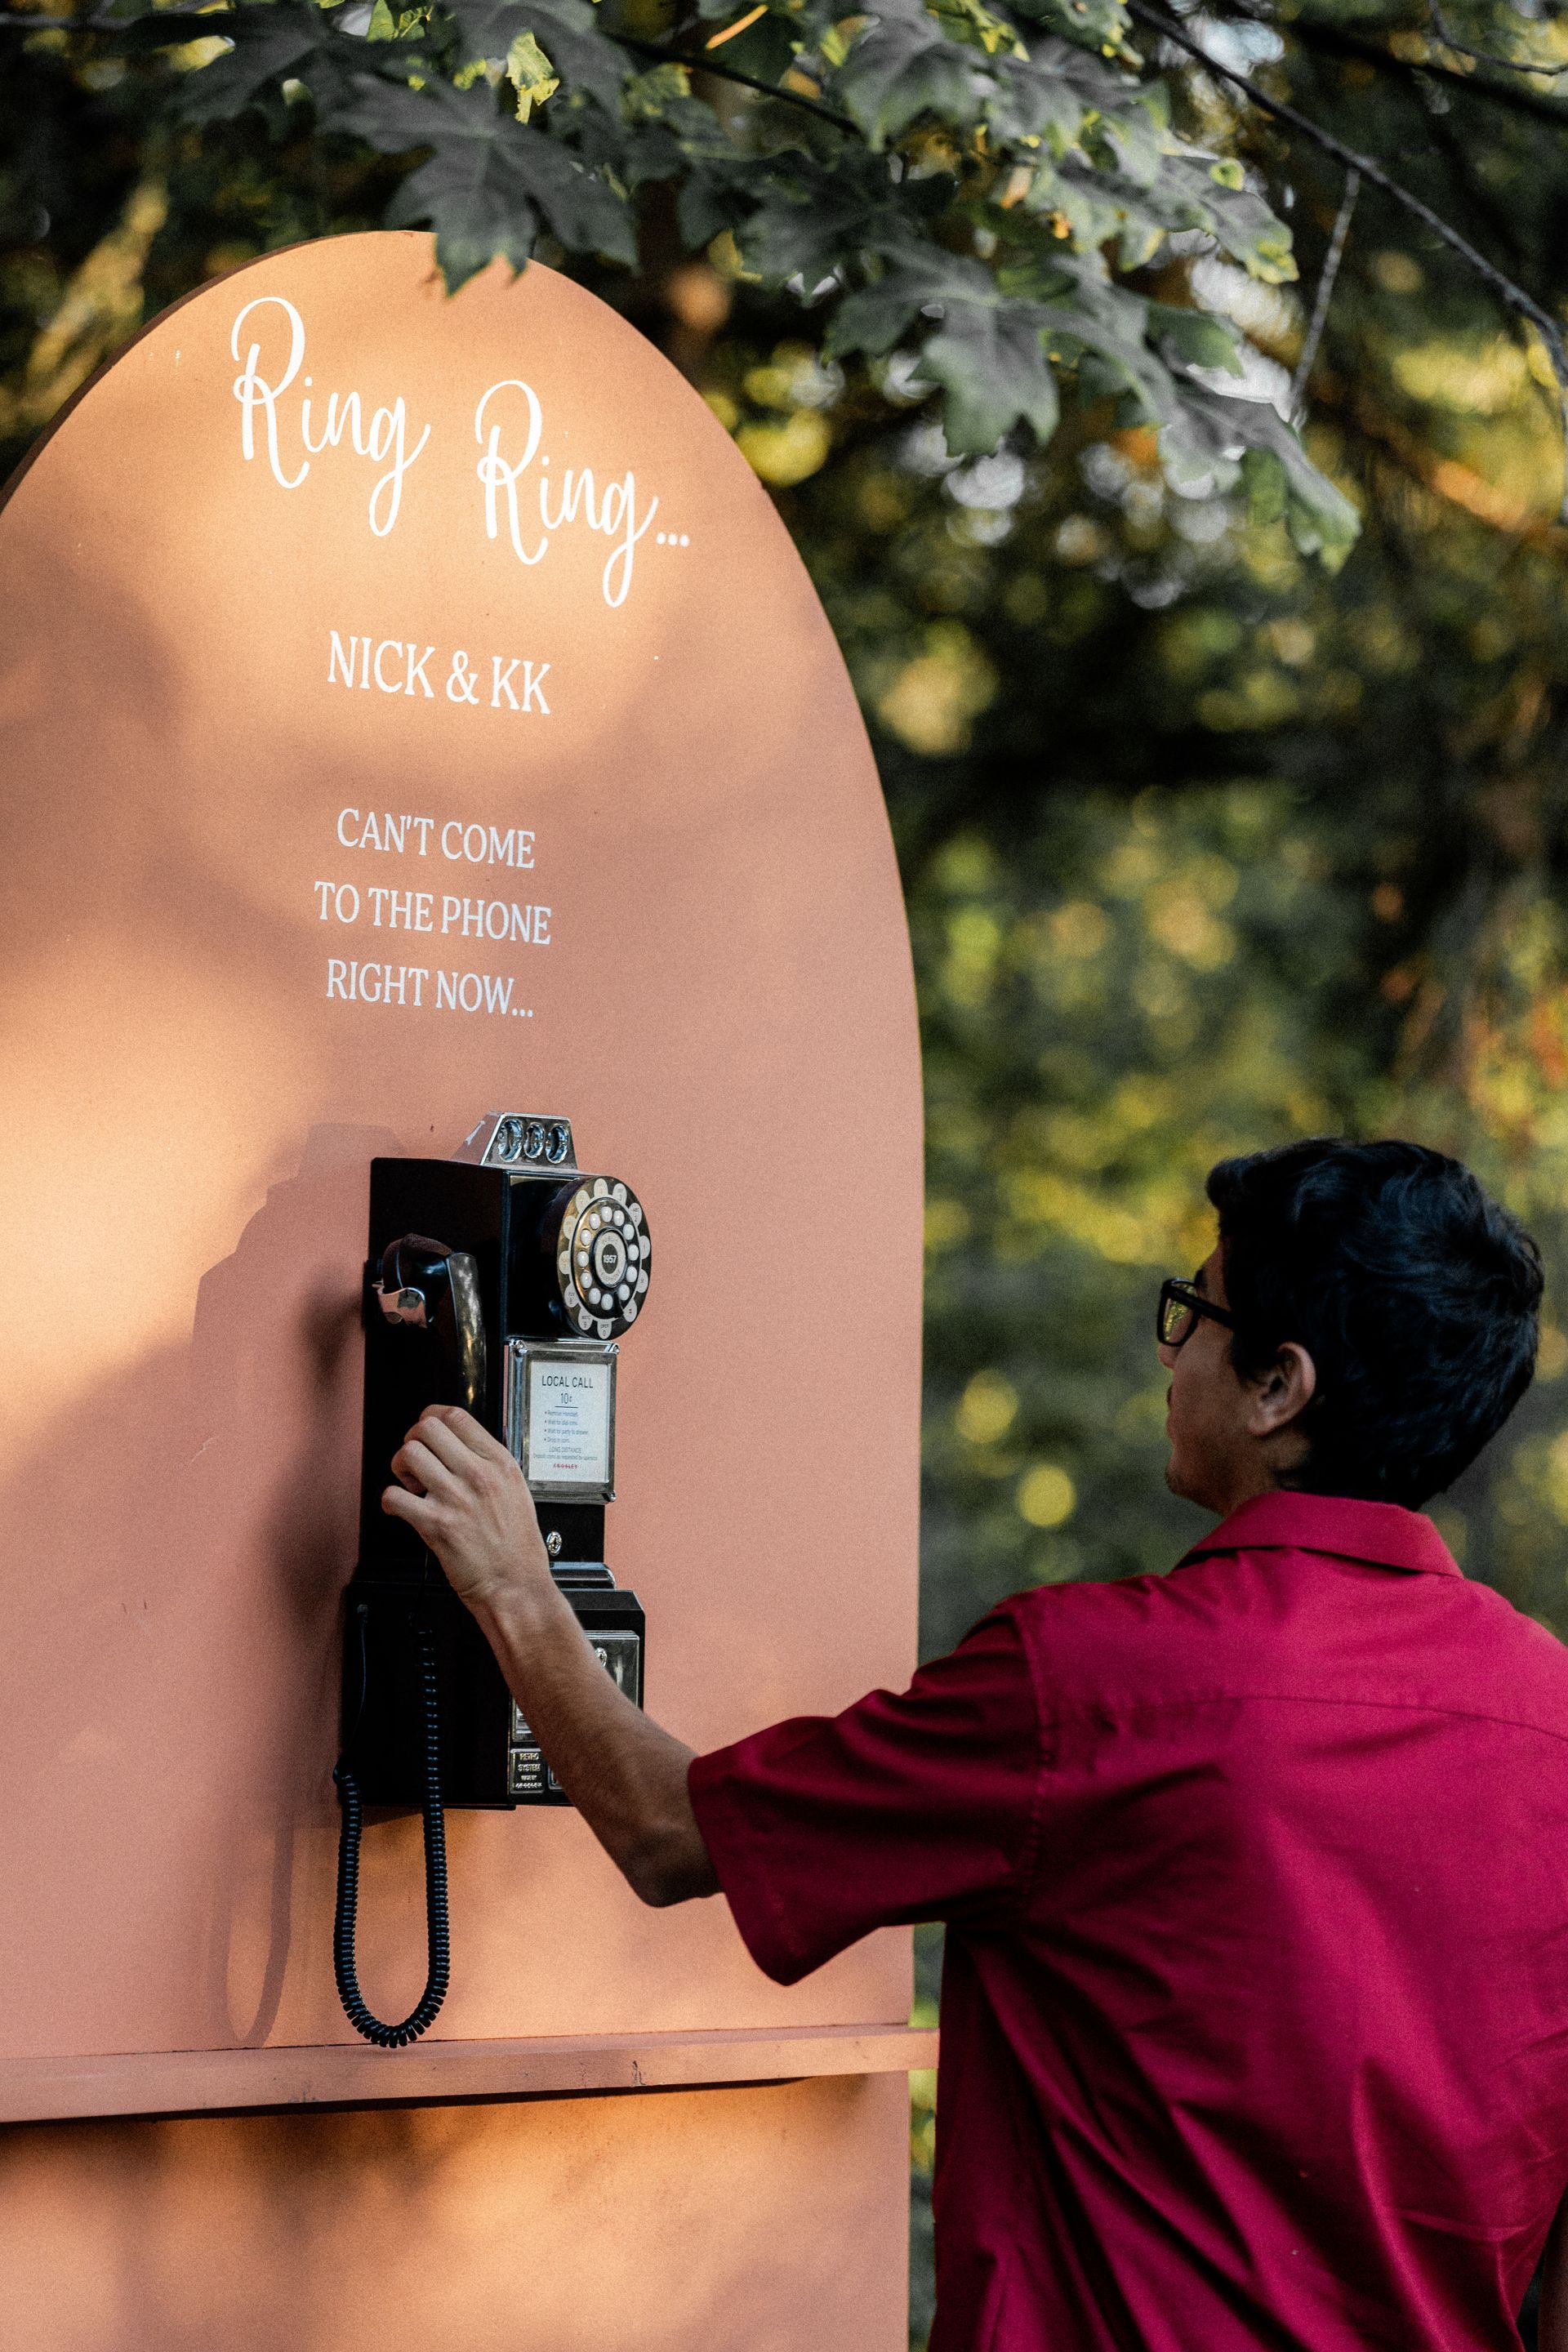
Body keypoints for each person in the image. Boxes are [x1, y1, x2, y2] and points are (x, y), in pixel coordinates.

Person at [382, 1137, 1568, 2352]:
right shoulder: (1556, 1725)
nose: (1170, 1352)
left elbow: (667, 1832)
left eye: (1195, 1314)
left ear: (1280, 1387)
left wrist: (517, 1583)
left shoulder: (1094, 1687)